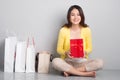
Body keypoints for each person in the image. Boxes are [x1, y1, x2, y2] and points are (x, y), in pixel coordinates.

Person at [52, 5, 103, 77]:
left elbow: (90, 48)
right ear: (69, 17)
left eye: (78, 15)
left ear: (81, 16)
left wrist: (85, 52)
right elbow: (59, 49)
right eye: (72, 15)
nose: (75, 17)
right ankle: (83, 73)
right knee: (55, 61)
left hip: (82, 62)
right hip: (67, 62)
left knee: (100, 62)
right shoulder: (63, 30)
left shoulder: (86, 30)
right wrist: (66, 53)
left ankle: (70, 72)